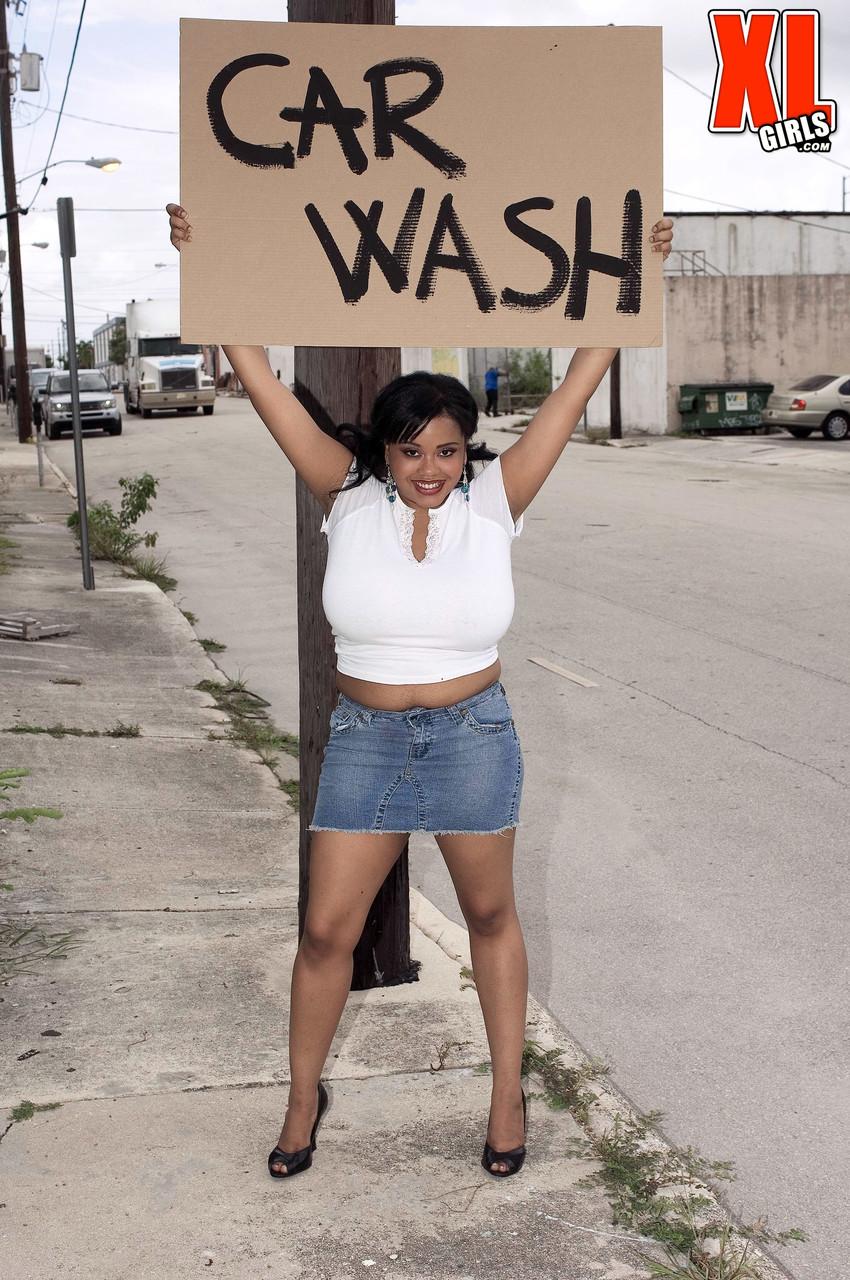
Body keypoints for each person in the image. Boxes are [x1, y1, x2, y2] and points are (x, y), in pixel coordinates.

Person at [167, 202, 674, 1181]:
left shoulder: (495, 501)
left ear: (464, 450)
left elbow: (577, 378)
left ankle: (503, 1093)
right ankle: (302, 1095)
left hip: (472, 734)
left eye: (445, 448)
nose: (428, 467)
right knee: (325, 930)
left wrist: (633, 279)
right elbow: (260, 373)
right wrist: (204, 255)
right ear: (385, 450)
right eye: (410, 449)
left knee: (491, 917)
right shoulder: (342, 495)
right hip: (364, 740)